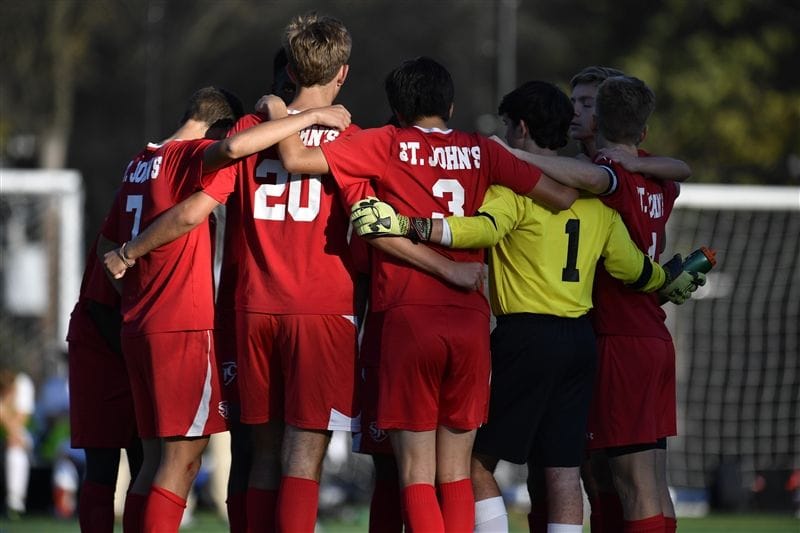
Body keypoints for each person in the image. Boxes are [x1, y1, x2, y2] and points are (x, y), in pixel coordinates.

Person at [349, 80, 702, 533]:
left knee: (472, 464)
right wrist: (667, 280)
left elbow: (479, 231)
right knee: (563, 471)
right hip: (580, 343)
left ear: (519, 129)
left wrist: (410, 224)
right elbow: (634, 268)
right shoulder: (599, 205)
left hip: (526, 337)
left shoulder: (514, 192)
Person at [271, 56, 578, 532]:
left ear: (396, 107)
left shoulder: (385, 143)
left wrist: (278, 110)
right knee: (454, 472)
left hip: (407, 318)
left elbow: (295, 160)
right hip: (471, 322)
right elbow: (562, 196)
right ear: (451, 105)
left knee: (414, 472)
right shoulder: (483, 150)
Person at [99, 85, 350, 533]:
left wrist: (130, 278)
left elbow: (105, 240)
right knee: (182, 461)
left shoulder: (140, 161)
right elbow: (198, 203)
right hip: (180, 322)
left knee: (154, 458)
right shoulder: (192, 156)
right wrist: (304, 117)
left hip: (137, 319)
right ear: (216, 126)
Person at [67, 237, 142, 532]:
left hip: (135, 345)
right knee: (102, 465)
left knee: (146, 461)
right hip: (100, 347)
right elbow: (101, 305)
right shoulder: (126, 225)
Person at [0, 368, 34, 519]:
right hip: (7, 437)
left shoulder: (23, 384)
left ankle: (15, 505)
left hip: (22, 437)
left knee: (15, 451)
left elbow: (19, 424)